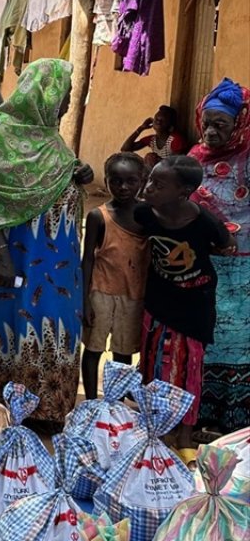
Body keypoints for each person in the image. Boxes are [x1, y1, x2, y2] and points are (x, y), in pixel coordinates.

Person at [0, 58, 94, 427]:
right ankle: (7, 407)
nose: (68, 102)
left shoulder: (51, 140)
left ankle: (50, 408)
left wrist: (77, 172)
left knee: (57, 326)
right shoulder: (2, 135)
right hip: (16, 258)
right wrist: (1, 257)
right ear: (45, 93)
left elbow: (54, 181)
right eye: (65, 94)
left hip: (59, 264)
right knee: (15, 322)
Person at [136, 156, 234, 459]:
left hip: (194, 305)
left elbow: (226, 243)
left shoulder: (205, 222)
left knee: (189, 367)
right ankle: (154, 429)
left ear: (184, 192)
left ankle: (185, 435)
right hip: (159, 300)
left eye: (158, 184)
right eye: (150, 179)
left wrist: (223, 248)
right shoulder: (145, 214)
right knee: (153, 364)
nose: (149, 187)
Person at [188, 78, 250, 433]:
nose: (210, 132)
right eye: (207, 123)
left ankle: (234, 418)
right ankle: (200, 414)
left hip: (242, 269)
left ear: (239, 124)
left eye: (220, 125)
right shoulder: (196, 158)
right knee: (205, 334)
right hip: (204, 264)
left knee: (238, 340)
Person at [80, 152, 148, 400]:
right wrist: (85, 299)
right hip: (101, 292)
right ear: (106, 180)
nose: (123, 187)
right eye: (116, 180)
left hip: (133, 295)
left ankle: (115, 405)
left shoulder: (147, 216)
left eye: (131, 181)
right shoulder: (99, 216)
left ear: (142, 180)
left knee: (123, 353)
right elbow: (87, 258)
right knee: (94, 349)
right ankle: (90, 402)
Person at [121, 105, 189, 167]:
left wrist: (156, 160)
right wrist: (141, 128)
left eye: (162, 121)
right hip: (157, 174)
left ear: (170, 127)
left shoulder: (176, 140)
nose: (158, 122)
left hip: (171, 176)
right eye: (156, 119)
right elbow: (125, 149)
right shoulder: (152, 139)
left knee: (150, 158)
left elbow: (175, 164)